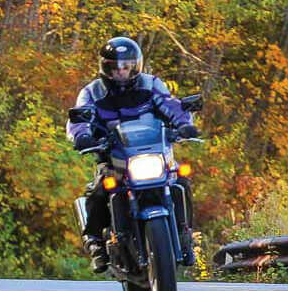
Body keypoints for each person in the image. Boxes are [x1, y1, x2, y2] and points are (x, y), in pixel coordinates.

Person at [65, 37, 199, 272]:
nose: (121, 72)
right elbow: (79, 117)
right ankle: (95, 242)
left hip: (155, 153)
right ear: (105, 67)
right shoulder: (92, 92)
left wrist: (184, 124)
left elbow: (172, 105)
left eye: (126, 66)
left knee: (180, 181)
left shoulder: (151, 85)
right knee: (99, 190)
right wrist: (81, 136)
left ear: (135, 65)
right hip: (114, 158)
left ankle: (184, 233)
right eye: (115, 67)